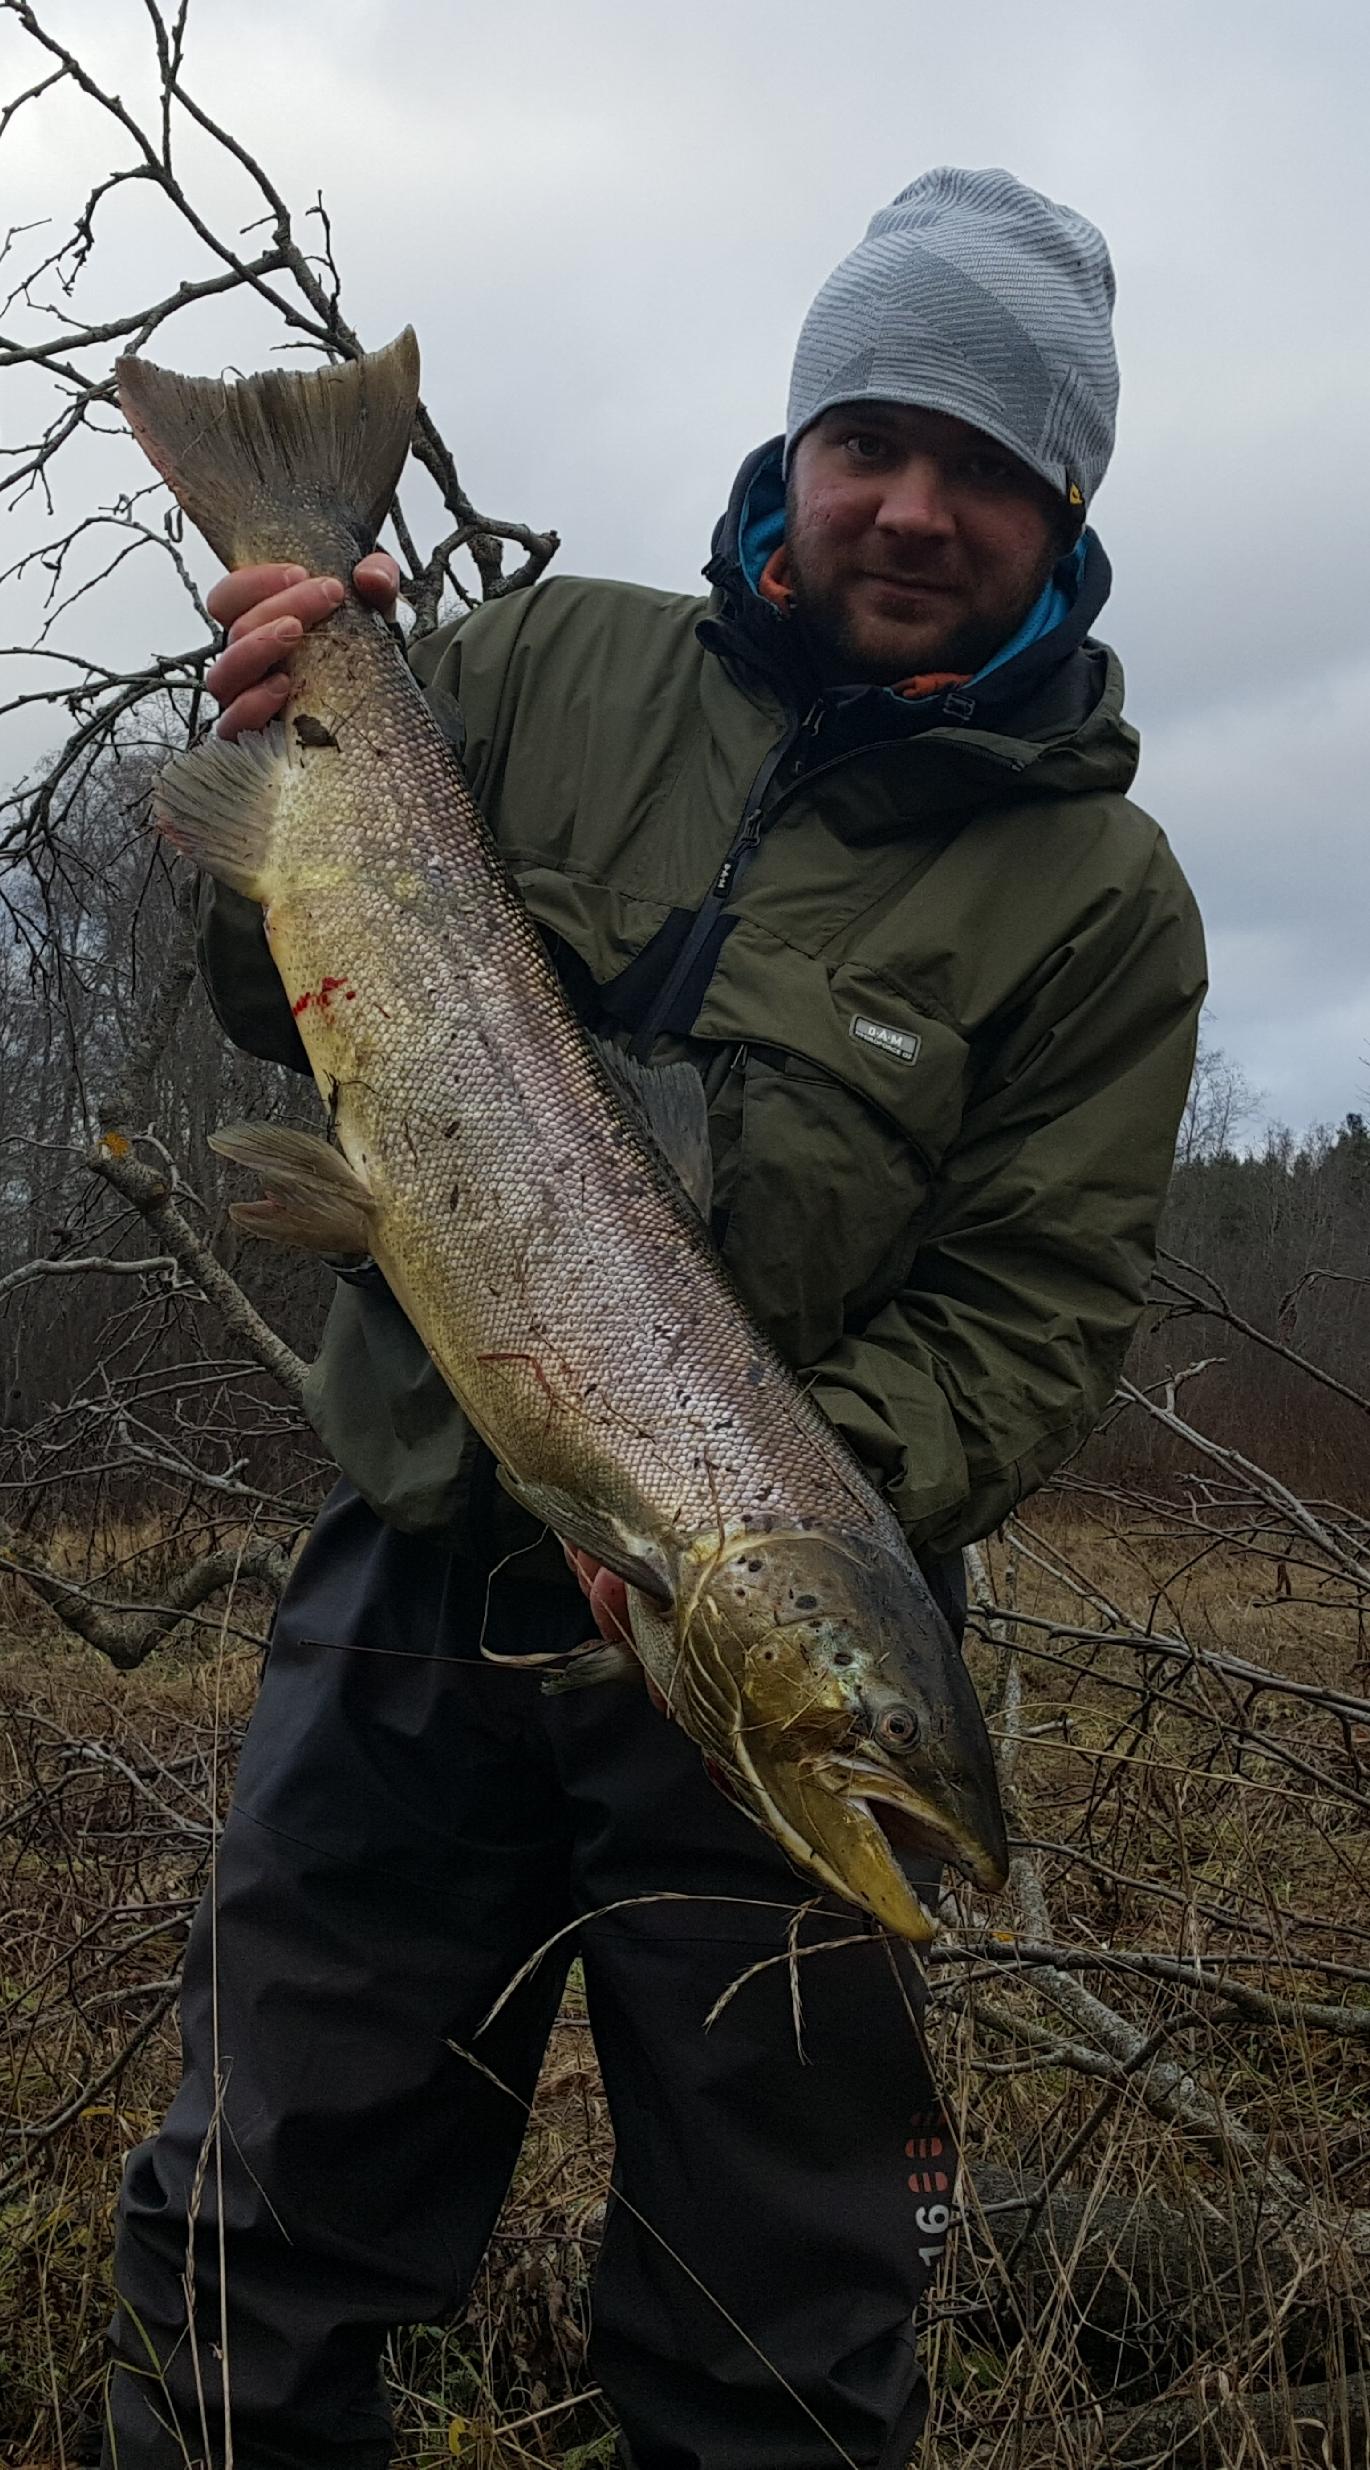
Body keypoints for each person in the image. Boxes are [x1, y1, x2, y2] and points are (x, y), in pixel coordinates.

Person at [103, 167, 1206, 2470]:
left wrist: (772, 1509)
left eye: (984, 465)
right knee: (252, 2246)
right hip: (413, 1591)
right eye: (871, 438)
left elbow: (1032, 1311)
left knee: (777, 2333)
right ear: (794, 449)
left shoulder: (1101, 898)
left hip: (764, 1675)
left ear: (1064, 497)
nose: (913, 505)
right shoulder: (523, 666)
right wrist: (299, 684)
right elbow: (273, 996)